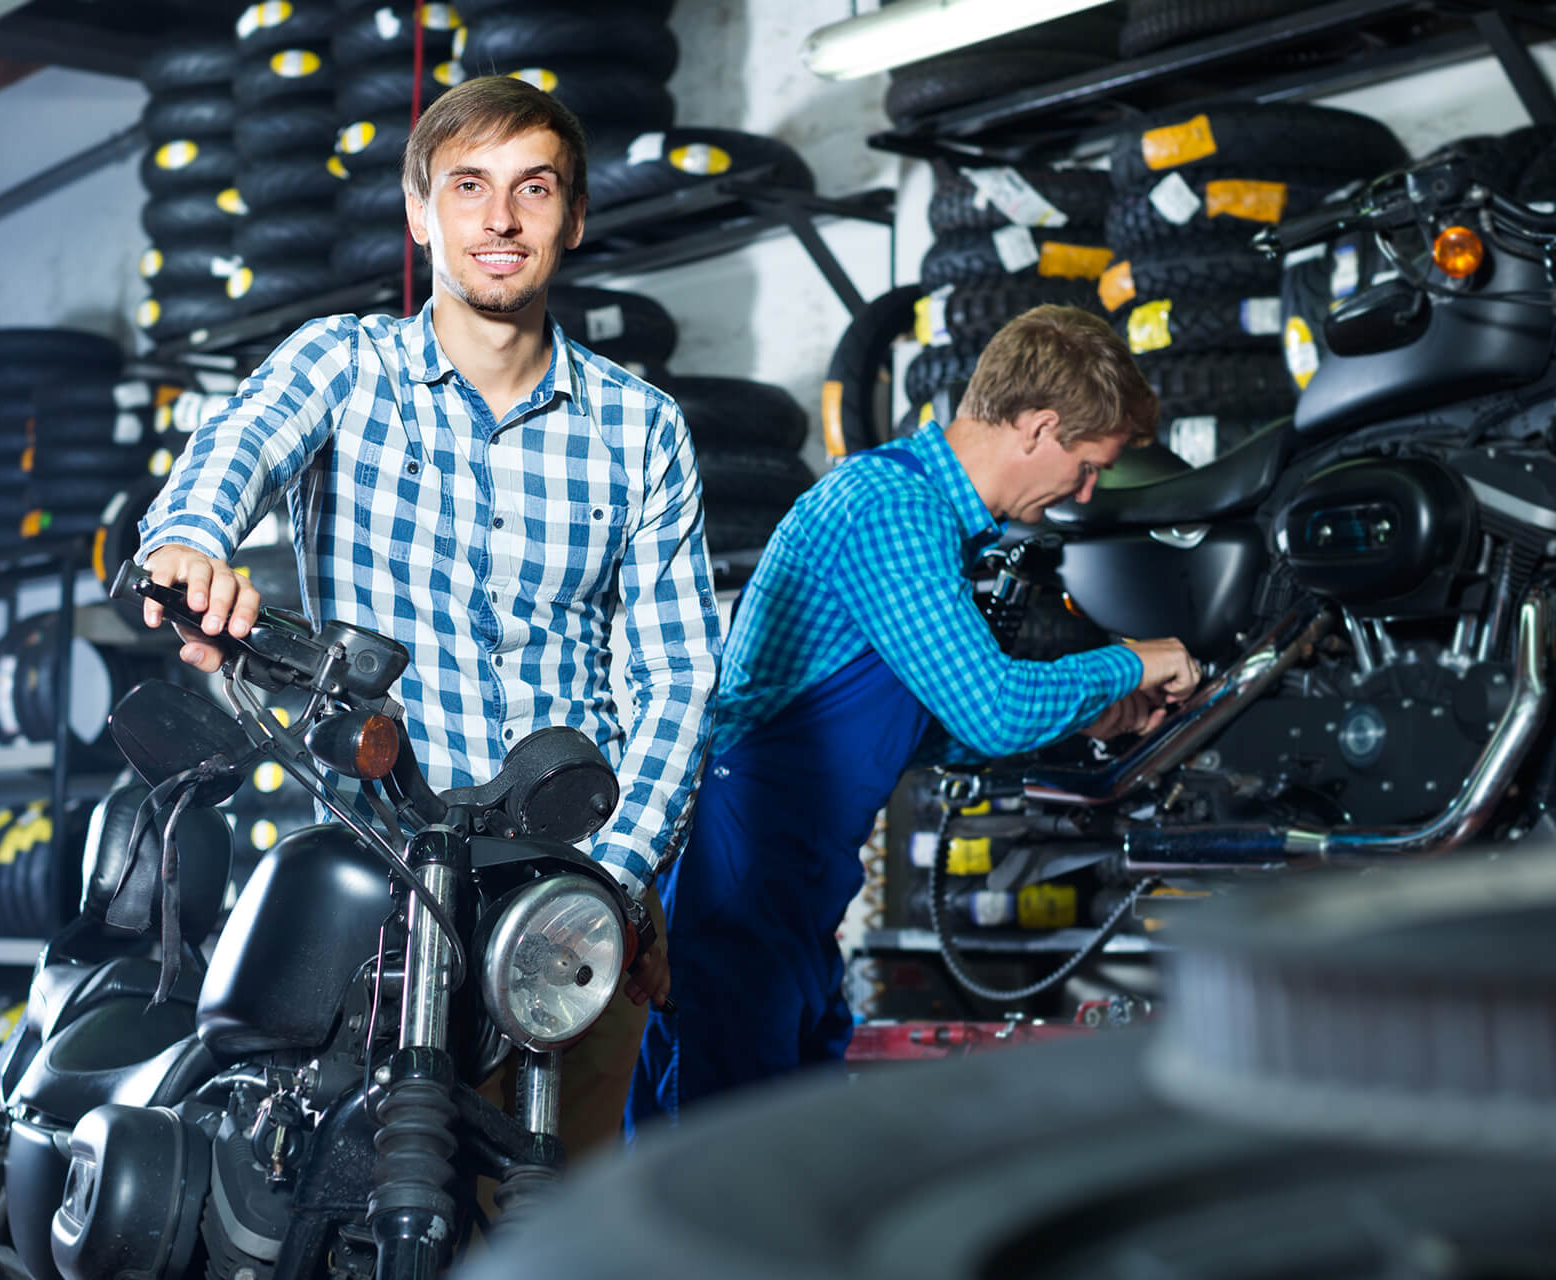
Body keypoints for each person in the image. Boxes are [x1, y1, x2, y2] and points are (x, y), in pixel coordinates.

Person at [132, 75, 720, 1161]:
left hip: (561, 898)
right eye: (468, 187)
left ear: (573, 217)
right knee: (317, 1199)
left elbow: (677, 676)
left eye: (532, 189)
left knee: (552, 1218)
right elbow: (233, 452)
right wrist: (190, 543)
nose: (500, 219)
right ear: (421, 215)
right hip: (367, 869)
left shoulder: (642, 430)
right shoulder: (344, 365)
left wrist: (619, 880)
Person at [629, 304, 1202, 1130]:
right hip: (744, 861)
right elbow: (997, 711)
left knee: (779, 1130)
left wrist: (1095, 718)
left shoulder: (928, 519)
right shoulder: (892, 509)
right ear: (1040, 428)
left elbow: (942, 723)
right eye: (1086, 466)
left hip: (794, 876)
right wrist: (1135, 658)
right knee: (724, 1149)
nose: (1083, 493)